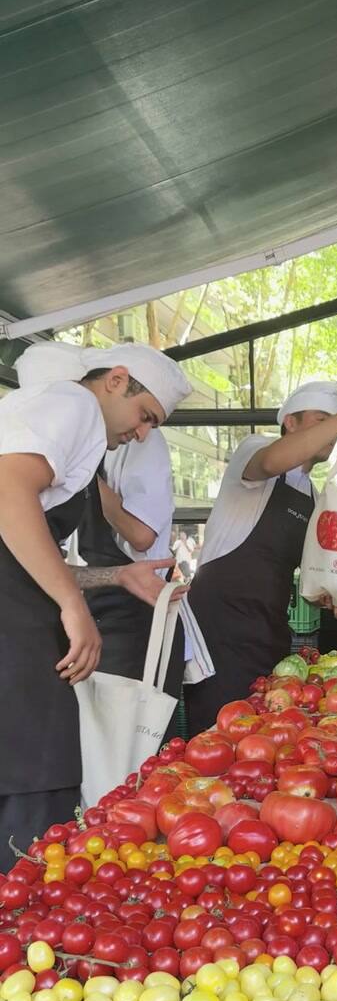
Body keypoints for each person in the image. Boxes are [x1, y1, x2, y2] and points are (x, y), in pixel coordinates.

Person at [0, 341, 191, 865]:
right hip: (14, 641)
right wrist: (73, 605)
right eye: (144, 415)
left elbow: (22, 556)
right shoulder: (75, 403)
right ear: (115, 380)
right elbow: (7, 489)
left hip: (16, 629)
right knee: (36, 791)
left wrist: (116, 576)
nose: (142, 433)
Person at [184, 381, 337, 735]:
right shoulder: (255, 451)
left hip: (269, 630)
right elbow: (271, 461)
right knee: (218, 732)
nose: (332, 432)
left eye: (333, 421)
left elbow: (307, 571)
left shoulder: (311, 496)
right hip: (220, 627)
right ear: (290, 423)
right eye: (321, 420)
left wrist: (328, 592)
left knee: (262, 735)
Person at [74, 426, 185, 698]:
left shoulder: (143, 442)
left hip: (134, 624)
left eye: (150, 418)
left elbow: (141, 535)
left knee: (132, 719)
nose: (142, 429)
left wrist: (84, 471)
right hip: (97, 609)